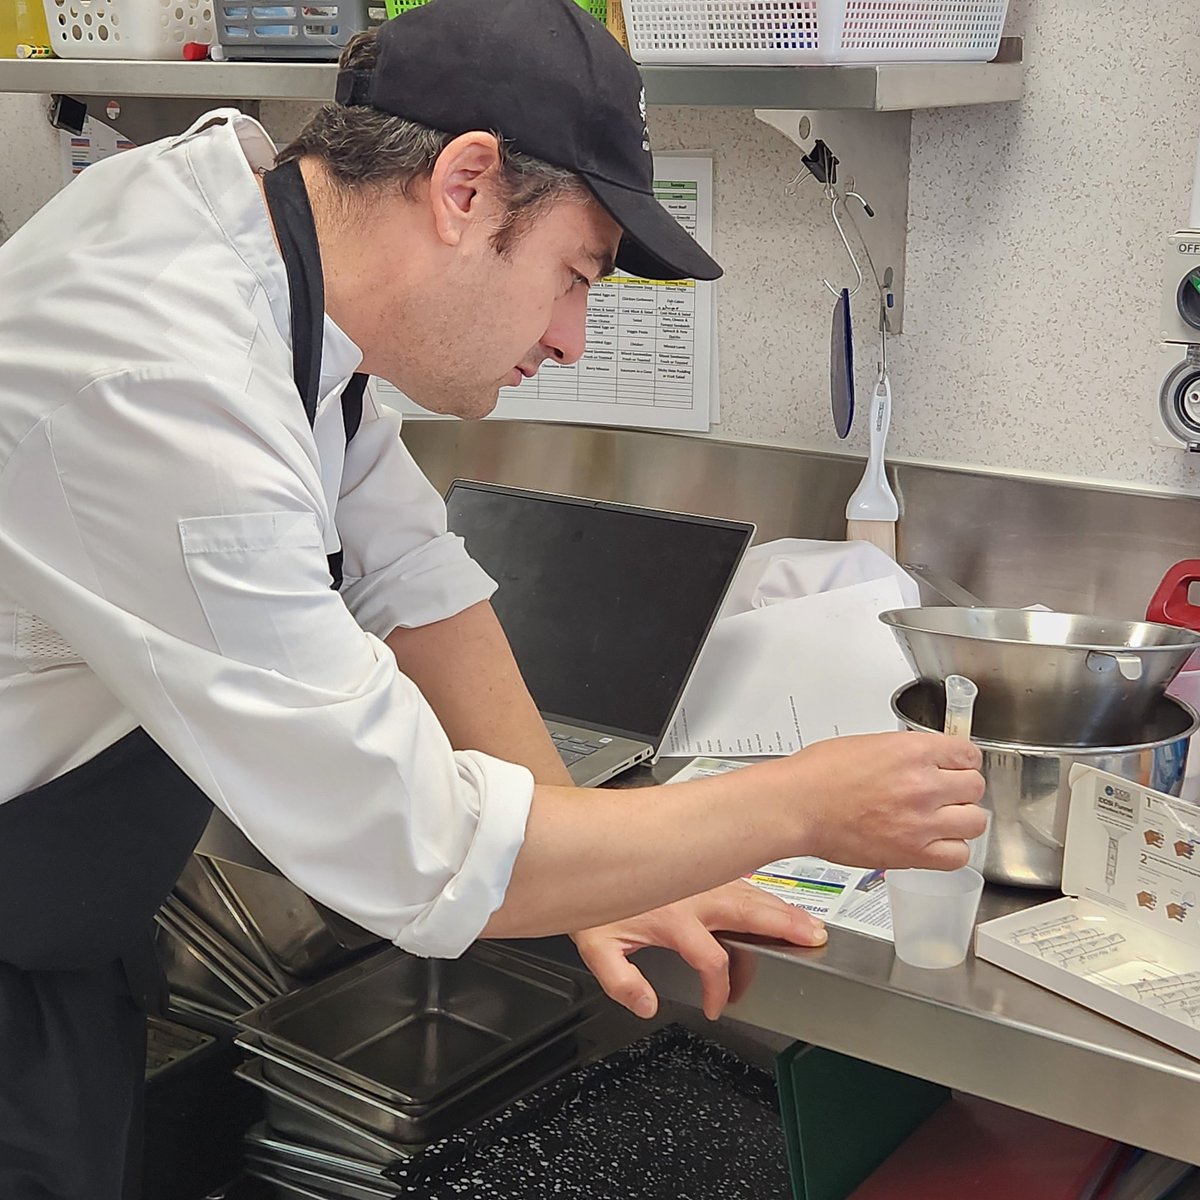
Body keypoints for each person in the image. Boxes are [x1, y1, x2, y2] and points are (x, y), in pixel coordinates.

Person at [0, 0, 985, 1194]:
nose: (573, 339)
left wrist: (592, 865)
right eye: (575, 275)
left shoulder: (258, 244)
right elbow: (418, 850)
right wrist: (801, 805)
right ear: (464, 187)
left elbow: (412, 574)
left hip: (59, 925)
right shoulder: (168, 388)